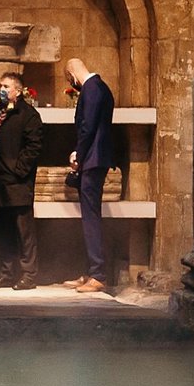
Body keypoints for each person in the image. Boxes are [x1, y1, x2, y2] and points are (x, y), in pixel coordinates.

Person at [0, 70, 44, 290]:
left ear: (18, 91)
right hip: (0, 184)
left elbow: (33, 147)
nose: (1, 90)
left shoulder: (28, 114)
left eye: (6, 87)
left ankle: (29, 276)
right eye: (0, 86)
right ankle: (8, 274)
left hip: (18, 184)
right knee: (3, 231)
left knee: (24, 232)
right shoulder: (0, 112)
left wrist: (18, 171)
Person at [64, 57, 116, 293]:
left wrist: (79, 156)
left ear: (72, 74)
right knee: (89, 217)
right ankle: (92, 272)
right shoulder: (100, 87)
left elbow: (88, 126)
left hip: (93, 160)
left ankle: (97, 274)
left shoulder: (93, 88)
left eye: (69, 79)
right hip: (95, 158)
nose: (72, 84)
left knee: (91, 218)